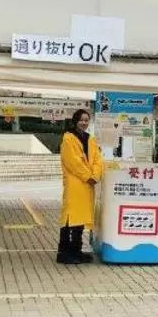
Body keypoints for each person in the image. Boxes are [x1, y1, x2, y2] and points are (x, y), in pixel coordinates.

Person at [58, 109, 104, 264]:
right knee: (70, 218)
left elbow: (98, 159)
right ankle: (64, 252)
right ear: (75, 120)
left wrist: (96, 175)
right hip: (75, 184)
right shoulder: (68, 138)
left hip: (87, 185)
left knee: (80, 219)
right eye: (81, 120)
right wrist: (88, 176)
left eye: (86, 120)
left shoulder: (90, 139)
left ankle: (76, 251)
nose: (84, 123)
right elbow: (72, 162)